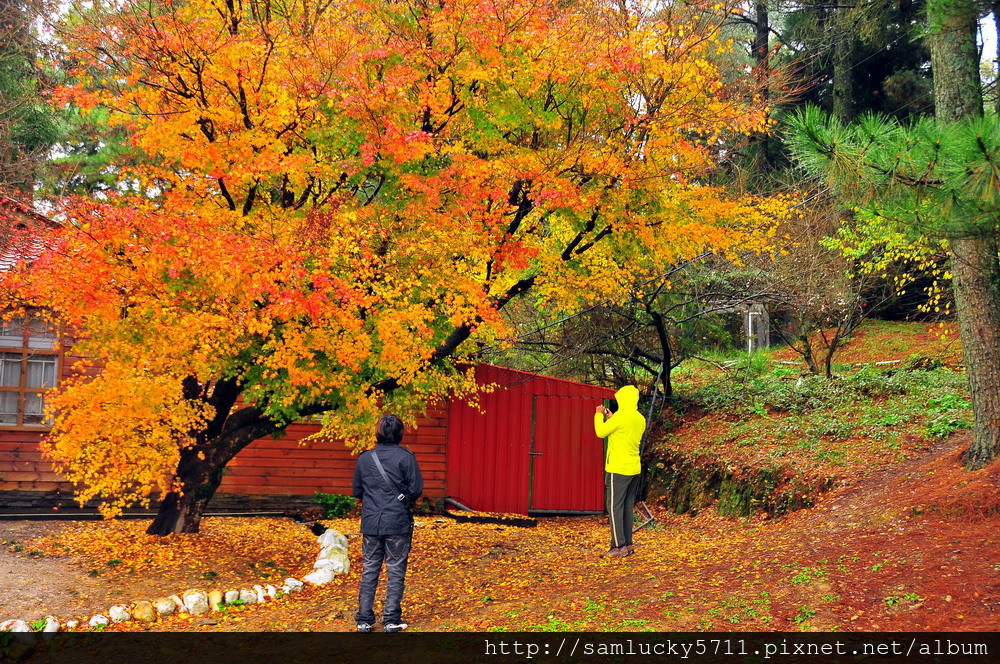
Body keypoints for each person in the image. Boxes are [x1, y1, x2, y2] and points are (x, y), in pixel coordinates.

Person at [352, 413, 423, 633]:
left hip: (371, 522)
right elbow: (416, 489)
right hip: (397, 522)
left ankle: (364, 620)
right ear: (400, 433)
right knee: (395, 569)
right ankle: (391, 620)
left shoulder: (365, 458)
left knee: (369, 569)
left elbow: (356, 491)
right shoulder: (406, 457)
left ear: (378, 433)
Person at [594, 385, 645, 558]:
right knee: (627, 507)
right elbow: (623, 431)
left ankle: (618, 546)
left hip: (618, 469)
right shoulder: (639, 418)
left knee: (614, 506)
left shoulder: (621, 417)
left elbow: (600, 432)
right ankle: (628, 545)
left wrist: (599, 415)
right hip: (634, 468)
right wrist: (612, 418)